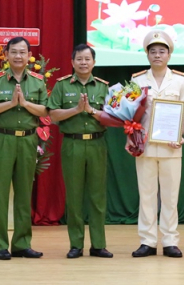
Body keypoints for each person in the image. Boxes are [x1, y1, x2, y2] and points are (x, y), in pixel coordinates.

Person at [0, 36, 48, 260]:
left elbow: (45, 111)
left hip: (28, 140)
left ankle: (21, 244)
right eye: (14, 52)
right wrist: (10, 104)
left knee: (23, 193)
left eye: (23, 52)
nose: (19, 56)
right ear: (6, 55)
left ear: (30, 56)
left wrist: (25, 104)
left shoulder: (37, 81)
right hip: (2, 139)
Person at [130, 30, 184, 259]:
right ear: (147, 54)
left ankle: (169, 241)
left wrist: (179, 135)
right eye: (153, 51)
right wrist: (132, 137)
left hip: (171, 147)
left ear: (169, 54)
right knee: (146, 195)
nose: (157, 55)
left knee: (170, 196)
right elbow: (131, 114)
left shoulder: (180, 79)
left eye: (162, 51)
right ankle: (147, 241)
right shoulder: (137, 80)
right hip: (144, 146)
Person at [47, 44, 112, 259]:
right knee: (74, 196)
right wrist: (76, 110)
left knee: (97, 196)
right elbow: (53, 115)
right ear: (72, 62)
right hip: (72, 144)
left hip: (97, 144)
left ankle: (98, 245)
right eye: (79, 59)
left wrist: (91, 111)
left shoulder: (104, 87)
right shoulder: (62, 85)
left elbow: (112, 118)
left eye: (87, 59)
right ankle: (76, 244)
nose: (83, 63)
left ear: (94, 62)